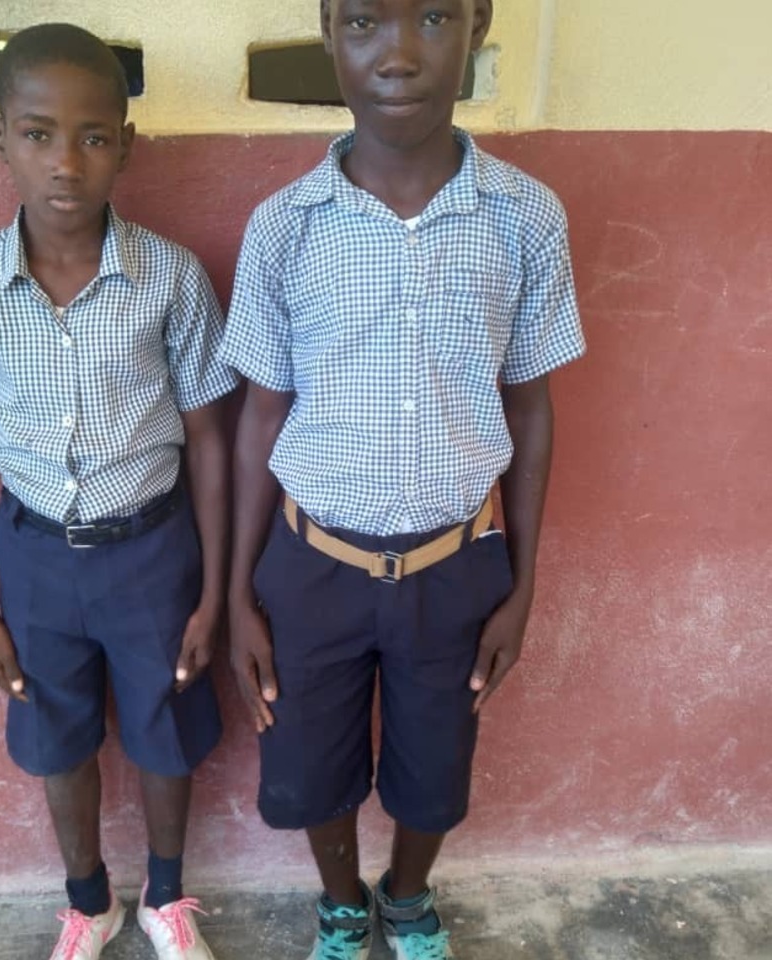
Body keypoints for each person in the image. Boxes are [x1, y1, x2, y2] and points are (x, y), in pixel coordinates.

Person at [221, 1, 586, 958]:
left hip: (458, 567)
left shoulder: (524, 217)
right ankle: (342, 904)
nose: (400, 55)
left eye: (432, 17)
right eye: (365, 23)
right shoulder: (285, 227)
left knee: (437, 772)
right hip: (309, 565)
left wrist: (522, 585)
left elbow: (532, 405)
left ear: (478, 22)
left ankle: (409, 894)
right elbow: (261, 415)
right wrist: (238, 598)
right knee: (306, 768)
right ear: (328, 32)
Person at [0, 23, 236, 960]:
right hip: (36, 553)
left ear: (126, 146)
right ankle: (88, 900)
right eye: (38, 132)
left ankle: (165, 898)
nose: (66, 161)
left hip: (154, 552)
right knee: (56, 738)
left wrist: (215, 591)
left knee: (167, 725)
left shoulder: (170, 277)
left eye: (94, 136)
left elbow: (211, 437)